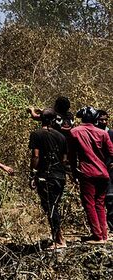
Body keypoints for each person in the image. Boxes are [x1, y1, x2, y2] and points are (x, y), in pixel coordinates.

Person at [68, 106, 113, 243]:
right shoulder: (103, 133)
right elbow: (111, 153)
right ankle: (104, 235)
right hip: (103, 173)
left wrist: (74, 170)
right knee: (100, 204)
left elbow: (71, 155)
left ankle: (97, 235)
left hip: (87, 172)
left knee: (89, 203)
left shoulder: (74, 132)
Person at [28, 108, 68, 248]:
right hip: (60, 176)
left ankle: (59, 240)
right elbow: (64, 159)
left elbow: (36, 156)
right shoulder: (62, 136)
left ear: (41, 119)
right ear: (53, 120)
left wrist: (33, 173)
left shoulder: (36, 134)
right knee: (53, 206)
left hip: (46, 176)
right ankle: (59, 236)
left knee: (50, 207)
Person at [95, 110, 113, 233]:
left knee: (110, 197)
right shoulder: (93, 133)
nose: (104, 121)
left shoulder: (110, 133)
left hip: (110, 169)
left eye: (105, 119)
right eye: (101, 119)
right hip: (97, 169)